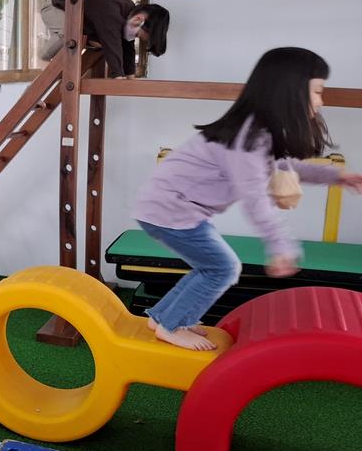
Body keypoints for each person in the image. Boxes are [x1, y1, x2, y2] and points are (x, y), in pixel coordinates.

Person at [133, 47, 362, 351]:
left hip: (172, 208)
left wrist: (337, 176)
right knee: (222, 268)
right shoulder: (248, 139)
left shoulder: (258, 132)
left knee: (211, 266)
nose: (321, 101)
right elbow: (255, 198)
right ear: (289, 92)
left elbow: (286, 167)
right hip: (171, 210)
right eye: (318, 91)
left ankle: (163, 318)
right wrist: (281, 246)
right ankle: (170, 326)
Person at [40, 0, 169, 78]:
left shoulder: (128, 17)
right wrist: (117, 75)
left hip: (80, 22)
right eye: (138, 35)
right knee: (68, 34)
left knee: (92, 42)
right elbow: (112, 44)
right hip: (57, 8)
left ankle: (51, 67)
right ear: (138, 20)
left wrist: (130, 75)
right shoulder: (112, 12)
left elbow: (127, 46)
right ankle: (43, 57)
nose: (135, 37)